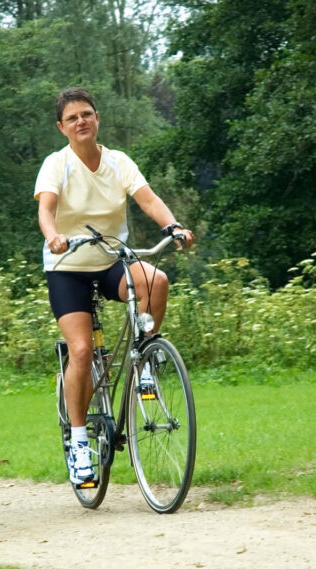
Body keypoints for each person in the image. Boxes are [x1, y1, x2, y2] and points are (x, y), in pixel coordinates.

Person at [35, 87, 195, 486]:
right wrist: (53, 235)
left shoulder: (118, 162)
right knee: (83, 350)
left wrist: (172, 226)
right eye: (72, 118)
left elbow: (148, 199)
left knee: (156, 281)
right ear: (62, 127)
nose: (81, 122)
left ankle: (144, 361)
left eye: (86, 114)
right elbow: (46, 208)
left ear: (97, 118)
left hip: (111, 261)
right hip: (68, 266)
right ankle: (77, 443)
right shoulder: (57, 164)